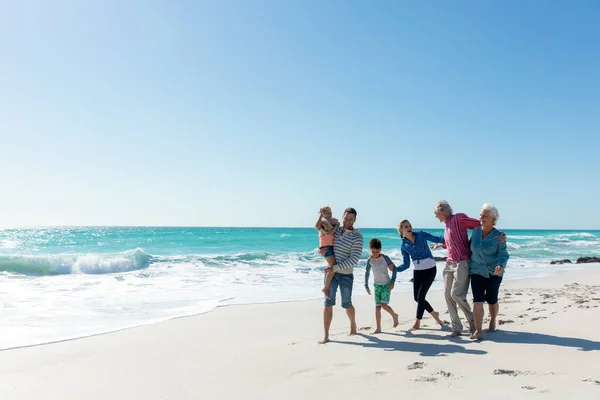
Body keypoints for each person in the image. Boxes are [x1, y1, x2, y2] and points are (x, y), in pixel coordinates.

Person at [432, 200, 506, 337]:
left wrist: (498, 233)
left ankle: (481, 321)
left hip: (469, 265)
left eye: (436, 213)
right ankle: (460, 327)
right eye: (481, 215)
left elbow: (478, 224)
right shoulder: (451, 225)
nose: (435, 216)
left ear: (442, 211)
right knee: (449, 295)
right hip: (461, 266)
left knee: (480, 298)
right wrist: (441, 244)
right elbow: (459, 242)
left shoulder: (460, 219)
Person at [318, 207, 363, 344]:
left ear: (355, 220)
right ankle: (326, 335)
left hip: (345, 275)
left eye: (351, 219)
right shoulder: (335, 230)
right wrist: (321, 251)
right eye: (346, 218)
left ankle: (353, 325)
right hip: (331, 272)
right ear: (342, 217)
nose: (348, 221)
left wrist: (335, 268)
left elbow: (354, 260)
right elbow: (325, 240)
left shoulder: (357, 236)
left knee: (346, 303)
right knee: (328, 303)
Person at [396, 220, 448, 331]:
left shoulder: (421, 234)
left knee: (420, 297)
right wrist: (395, 269)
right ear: (401, 230)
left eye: (409, 225)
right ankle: (436, 317)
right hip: (418, 271)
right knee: (417, 297)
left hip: (430, 269)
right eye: (406, 226)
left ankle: (417, 323)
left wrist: (450, 233)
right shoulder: (404, 245)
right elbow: (406, 264)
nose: (409, 227)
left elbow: (438, 239)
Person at [469, 203, 510, 340]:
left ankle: (492, 320)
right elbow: (468, 246)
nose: (481, 217)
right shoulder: (475, 231)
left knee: (491, 299)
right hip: (476, 270)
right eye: (481, 214)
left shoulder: (499, 236)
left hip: (494, 272)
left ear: (493, 218)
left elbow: (504, 254)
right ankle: (478, 330)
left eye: (485, 215)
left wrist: (500, 265)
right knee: (477, 300)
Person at [364, 238, 399, 334]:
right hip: (377, 286)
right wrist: (366, 285)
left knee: (384, 305)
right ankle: (378, 328)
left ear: (380, 249)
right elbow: (367, 273)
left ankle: (394, 315)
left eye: (377, 251)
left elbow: (394, 269)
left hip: (386, 285)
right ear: (370, 249)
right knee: (377, 307)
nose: (375, 253)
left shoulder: (385, 258)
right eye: (373, 251)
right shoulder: (369, 260)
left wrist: (393, 281)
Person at [314, 206, 340, 298]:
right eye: (327, 213)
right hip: (326, 247)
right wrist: (321, 216)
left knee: (332, 267)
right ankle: (326, 288)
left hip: (332, 246)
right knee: (334, 267)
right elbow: (316, 226)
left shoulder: (332, 222)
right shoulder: (323, 223)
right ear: (323, 213)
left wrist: (336, 225)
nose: (329, 214)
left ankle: (328, 285)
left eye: (330, 212)